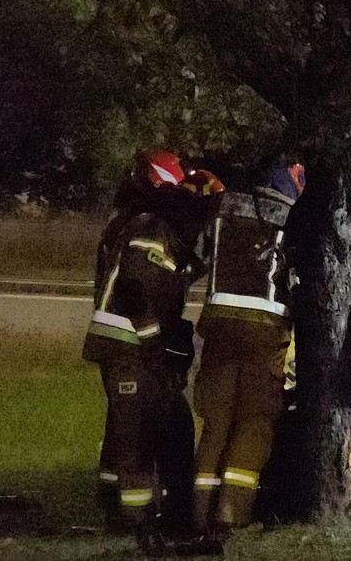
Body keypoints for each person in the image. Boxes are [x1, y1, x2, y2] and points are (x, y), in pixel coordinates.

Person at [83, 150, 219, 552]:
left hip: (127, 342)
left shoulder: (136, 221)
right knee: (138, 435)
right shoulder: (152, 227)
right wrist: (158, 341)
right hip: (132, 343)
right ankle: (136, 523)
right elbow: (139, 288)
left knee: (146, 426)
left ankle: (134, 510)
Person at [190, 162, 302, 545]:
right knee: (254, 422)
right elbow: (298, 280)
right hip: (264, 330)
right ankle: (231, 514)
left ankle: (198, 511)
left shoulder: (222, 209)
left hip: (219, 324)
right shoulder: (292, 218)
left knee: (216, 421)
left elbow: (199, 258)